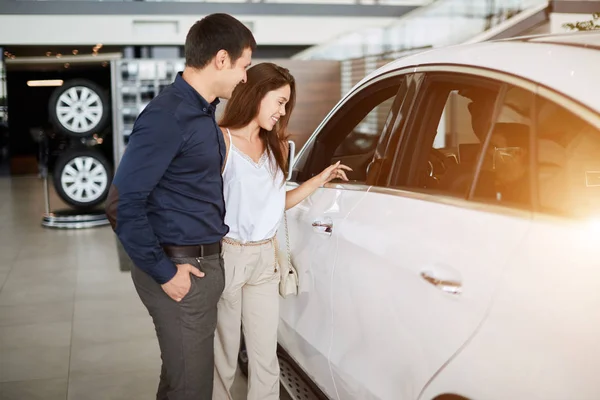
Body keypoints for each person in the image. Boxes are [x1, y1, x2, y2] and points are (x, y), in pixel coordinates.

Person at [105, 14, 255, 400]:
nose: (244, 78)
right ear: (221, 59)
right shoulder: (169, 116)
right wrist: (165, 272)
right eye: (244, 66)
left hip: (199, 266)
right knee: (190, 388)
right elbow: (122, 203)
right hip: (180, 270)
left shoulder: (203, 114)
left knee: (180, 380)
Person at [212, 62, 350, 400]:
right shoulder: (221, 141)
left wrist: (318, 181)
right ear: (257, 94)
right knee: (223, 359)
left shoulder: (280, 147)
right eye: (279, 101)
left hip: (264, 259)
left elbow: (277, 204)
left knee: (265, 357)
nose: (282, 111)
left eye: (287, 104)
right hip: (227, 255)